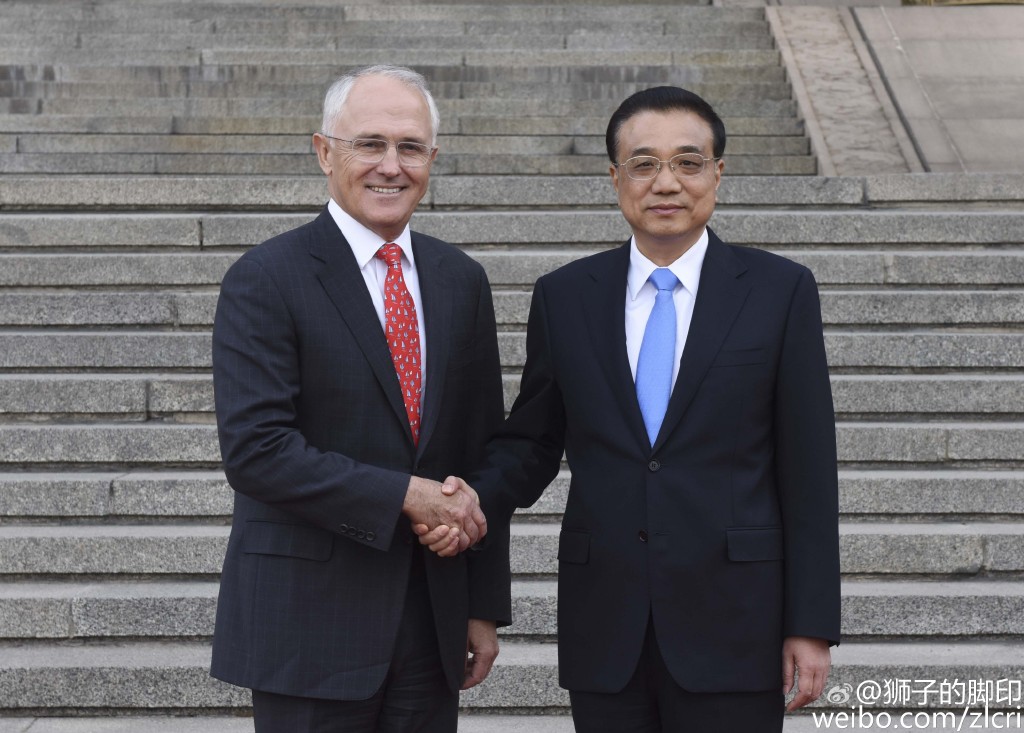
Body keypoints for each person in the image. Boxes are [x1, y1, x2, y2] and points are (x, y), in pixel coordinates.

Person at [423, 86, 841, 732]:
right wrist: (470, 499)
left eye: (688, 162)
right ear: (615, 178)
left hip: (736, 622)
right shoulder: (565, 296)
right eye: (644, 164)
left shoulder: (780, 292)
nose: (666, 182)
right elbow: (532, 442)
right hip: (606, 623)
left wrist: (810, 624)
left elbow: (808, 471)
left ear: (718, 173)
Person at [210, 64, 509, 733]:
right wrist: (407, 494)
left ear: (432, 159)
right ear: (325, 152)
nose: (391, 166)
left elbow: (480, 451)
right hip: (308, 625)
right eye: (369, 143)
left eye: (410, 147)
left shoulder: (461, 280)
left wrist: (482, 603)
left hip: (431, 621)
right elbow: (258, 451)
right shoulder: (266, 278)